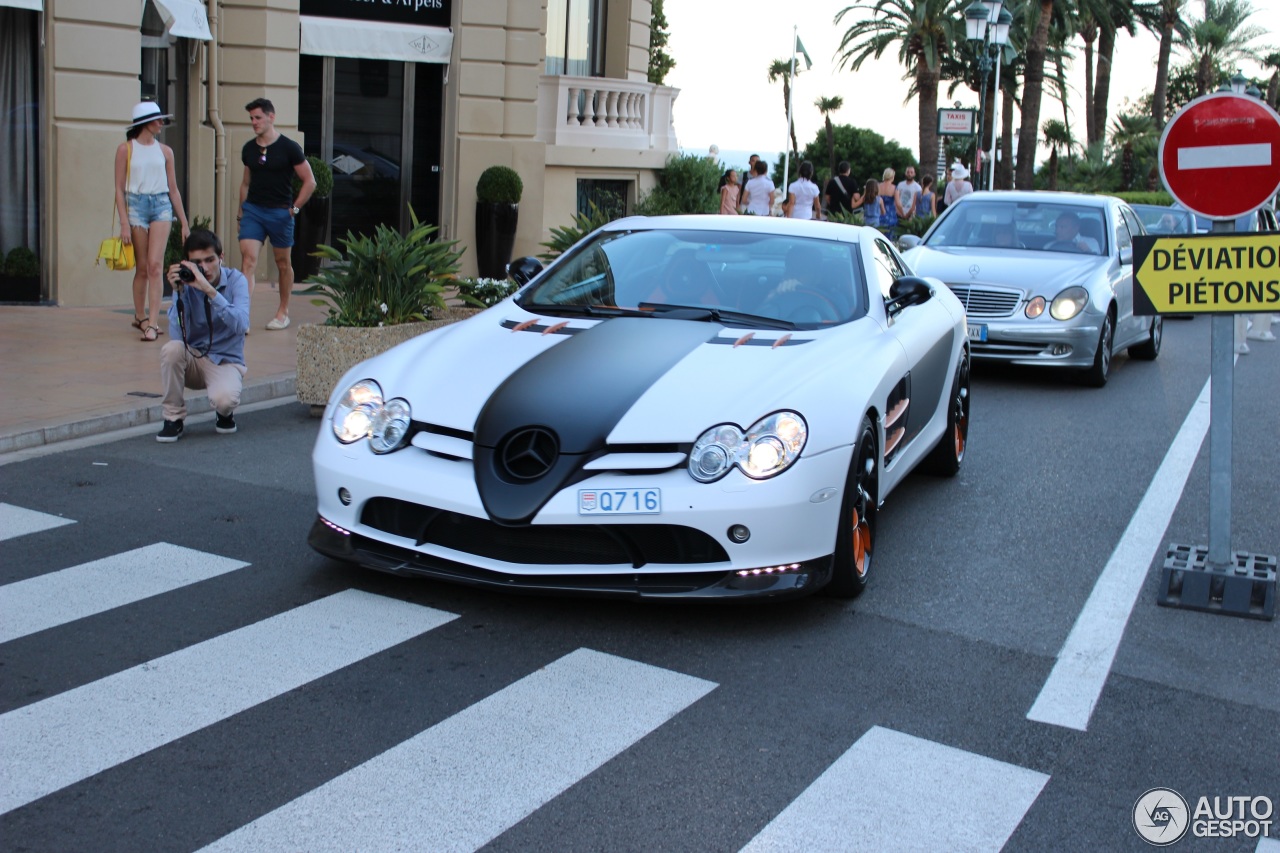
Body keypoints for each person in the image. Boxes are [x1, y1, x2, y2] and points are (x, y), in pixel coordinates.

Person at [156, 229, 250, 443]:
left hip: (226, 361)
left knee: (225, 400)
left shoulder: (237, 281)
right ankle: (173, 418)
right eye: (198, 263)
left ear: (221, 257)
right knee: (171, 350)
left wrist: (210, 291)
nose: (205, 268)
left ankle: (224, 413)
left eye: (210, 260)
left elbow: (241, 324)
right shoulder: (185, 285)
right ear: (188, 263)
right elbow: (177, 337)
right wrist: (178, 293)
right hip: (194, 358)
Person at [238, 97, 316, 331]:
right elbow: (245, 183)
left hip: (280, 213)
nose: (254, 122)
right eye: (251, 118)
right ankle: (242, 316)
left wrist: (294, 209)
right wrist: (241, 213)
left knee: (283, 263)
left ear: (271, 117)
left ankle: (283, 312)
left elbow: (309, 181)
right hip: (253, 211)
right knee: (248, 261)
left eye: (258, 117)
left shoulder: (289, 148)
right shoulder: (249, 149)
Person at [116, 101, 190, 343]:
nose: (162, 123)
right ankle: (140, 316)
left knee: (156, 265)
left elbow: (173, 189)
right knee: (143, 267)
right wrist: (124, 223)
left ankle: (153, 323)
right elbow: (118, 189)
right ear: (145, 123)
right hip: (135, 205)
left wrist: (185, 222)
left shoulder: (166, 151)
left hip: (161, 205)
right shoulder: (126, 149)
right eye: (158, 119)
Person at [878, 168, 899, 233]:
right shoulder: (894, 188)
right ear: (892, 176)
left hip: (879, 213)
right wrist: (904, 214)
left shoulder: (878, 186)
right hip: (891, 215)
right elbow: (898, 203)